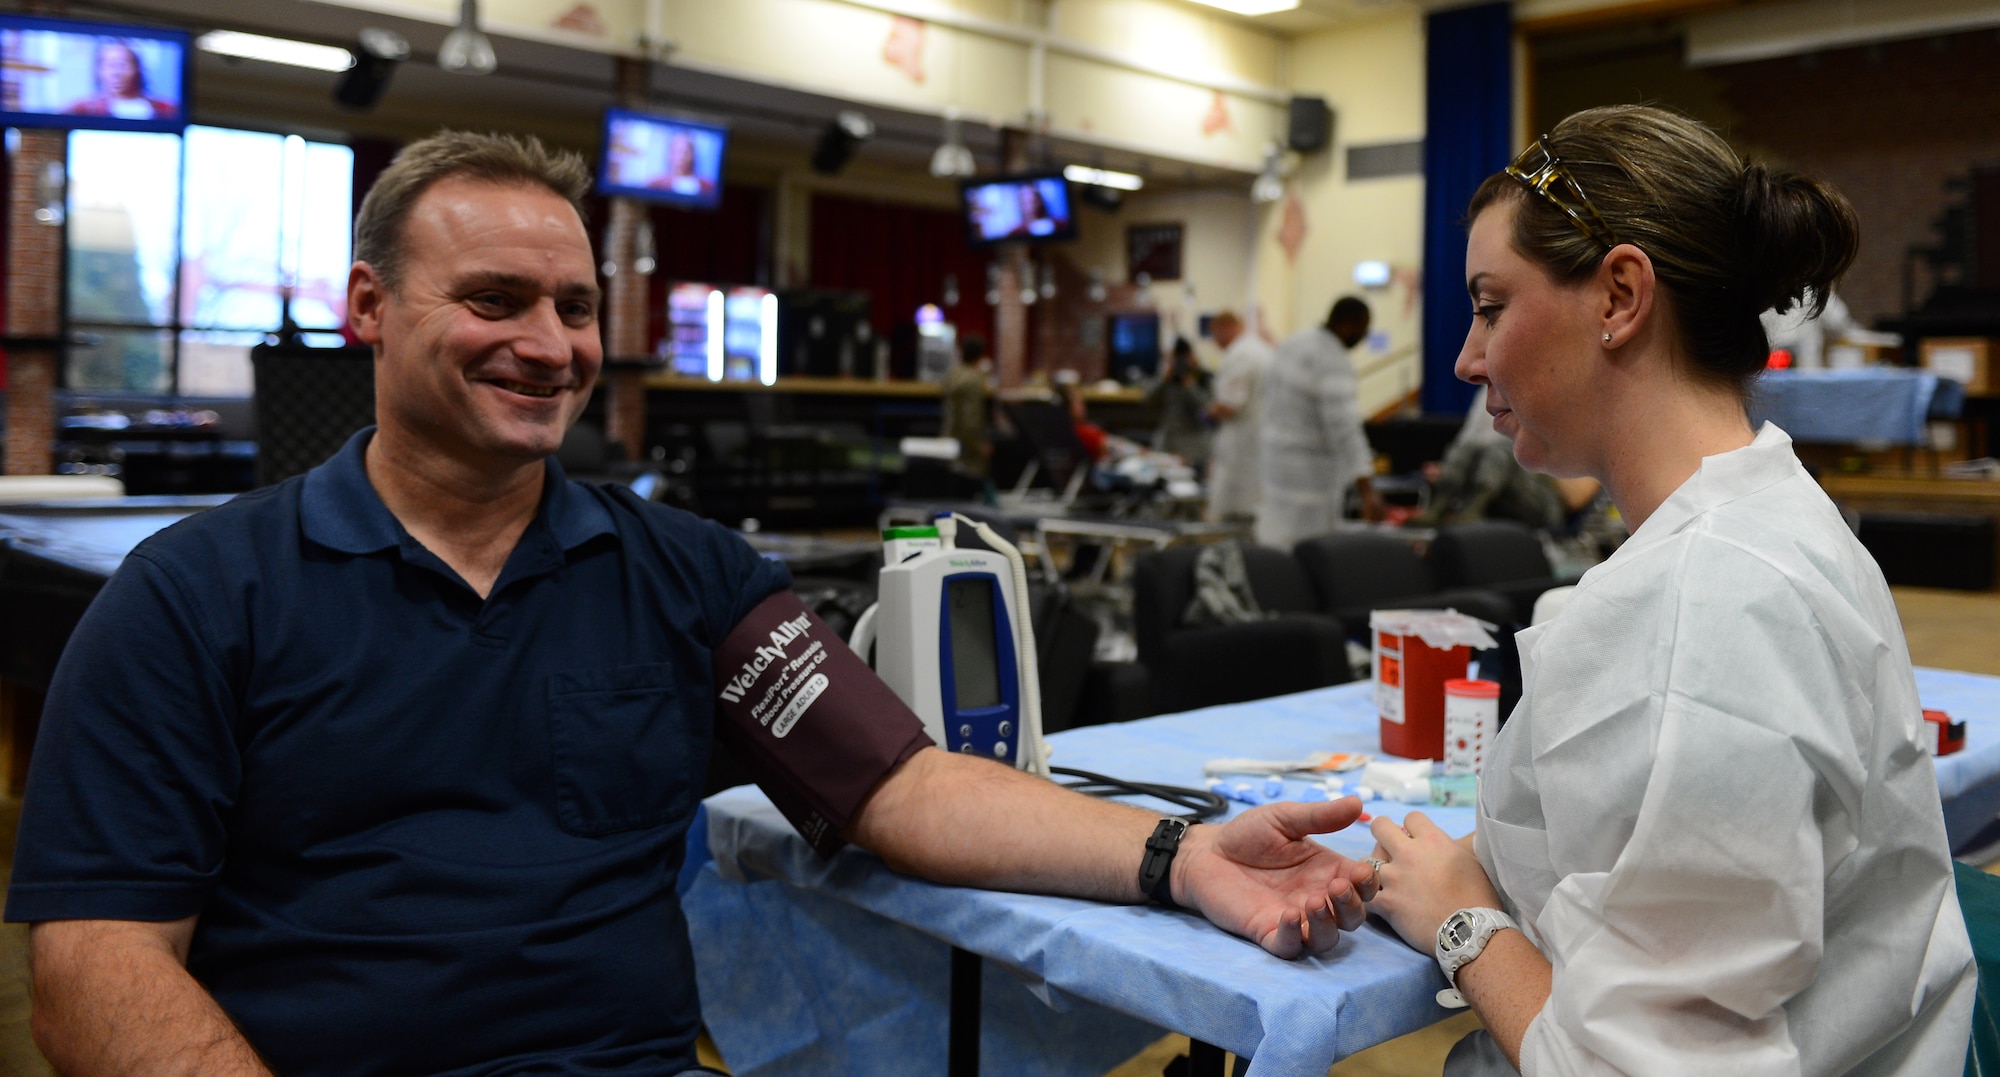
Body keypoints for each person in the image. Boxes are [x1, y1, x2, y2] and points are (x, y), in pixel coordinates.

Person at [6, 131, 1383, 1077]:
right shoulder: (193, 599)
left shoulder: (688, 576)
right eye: (495, 299)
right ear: (368, 305)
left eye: (574, 306)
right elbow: (94, 970)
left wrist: (1177, 855)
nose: (548, 345)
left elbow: (901, 786)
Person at [1363, 105, 1974, 1075]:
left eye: (1490, 306)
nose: (1466, 358)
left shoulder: (1707, 609)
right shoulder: (1767, 516)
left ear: (1618, 295)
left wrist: (1462, 923)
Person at [1255, 296, 1383, 548]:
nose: (1363, 337)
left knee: (1274, 540)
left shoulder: (1294, 343)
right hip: (1309, 478)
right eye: (1363, 329)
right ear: (1350, 324)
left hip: (1275, 464)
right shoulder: (1333, 361)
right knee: (1306, 549)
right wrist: (1367, 491)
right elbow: (1345, 428)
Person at [1205, 310, 1273, 523]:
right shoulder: (1261, 349)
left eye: (1214, 334)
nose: (1214, 341)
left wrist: (1209, 411)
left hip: (1243, 448)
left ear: (1225, 328)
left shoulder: (1240, 355)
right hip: (1261, 443)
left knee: (1237, 516)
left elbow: (1229, 405)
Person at [63, 39, 176, 120]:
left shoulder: (167, 109)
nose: (116, 73)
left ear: (138, 69)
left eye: (122, 65)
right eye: (110, 65)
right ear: (99, 71)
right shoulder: (80, 109)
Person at [1147, 337, 1213, 469]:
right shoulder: (1168, 378)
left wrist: (1189, 384)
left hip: (1194, 447)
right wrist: (1164, 379)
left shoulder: (1204, 377)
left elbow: (1208, 408)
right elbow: (1148, 400)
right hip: (1167, 444)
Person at [939, 331, 993, 487]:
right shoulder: (974, 381)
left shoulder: (952, 374)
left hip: (949, 440)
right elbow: (971, 420)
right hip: (968, 450)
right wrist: (979, 446)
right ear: (980, 355)